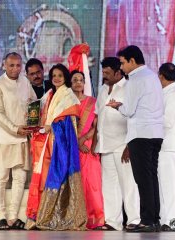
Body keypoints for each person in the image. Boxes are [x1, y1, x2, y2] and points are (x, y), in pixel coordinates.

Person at [107, 45, 164, 232]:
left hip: (140, 134)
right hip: (155, 133)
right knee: (151, 177)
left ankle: (147, 220)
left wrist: (117, 106)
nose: (121, 68)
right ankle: (154, 219)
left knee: (143, 179)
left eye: (123, 63)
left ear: (132, 61)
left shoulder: (135, 79)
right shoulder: (153, 76)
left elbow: (129, 110)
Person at [25, 64, 87, 230]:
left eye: (60, 75)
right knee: (43, 179)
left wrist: (51, 127)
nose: (57, 78)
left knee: (56, 177)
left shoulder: (69, 97)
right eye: (54, 75)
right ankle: (40, 215)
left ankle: (55, 216)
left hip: (60, 146)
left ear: (65, 77)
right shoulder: (49, 95)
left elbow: (67, 125)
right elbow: (41, 116)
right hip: (45, 144)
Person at [0, 52, 37, 230]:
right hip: (4, 137)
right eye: (11, 65)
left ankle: (12, 217)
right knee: (1, 178)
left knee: (19, 178)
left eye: (18, 65)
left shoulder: (25, 81)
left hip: (22, 136)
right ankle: (1, 216)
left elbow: (33, 103)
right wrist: (15, 128)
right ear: (4, 65)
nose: (15, 69)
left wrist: (33, 120)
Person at [92, 57, 140, 231]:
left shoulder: (129, 88)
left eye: (107, 73)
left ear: (118, 72)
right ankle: (113, 221)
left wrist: (129, 145)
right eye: (103, 72)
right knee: (109, 185)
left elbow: (134, 118)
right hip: (105, 144)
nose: (104, 76)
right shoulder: (103, 89)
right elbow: (98, 118)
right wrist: (95, 142)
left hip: (123, 145)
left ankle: (134, 220)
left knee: (128, 183)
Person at [70, 70, 104, 229]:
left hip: (88, 146)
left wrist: (83, 139)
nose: (78, 82)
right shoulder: (67, 102)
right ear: (70, 83)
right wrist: (77, 142)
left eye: (81, 80)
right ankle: (77, 218)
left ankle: (95, 218)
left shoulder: (92, 102)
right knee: (76, 183)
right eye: (75, 79)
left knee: (92, 182)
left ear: (85, 83)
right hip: (71, 147)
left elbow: (96, 125)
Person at [157, 63, 175, 231]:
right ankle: (165, 220)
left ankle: (173, 221)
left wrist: (150, 117)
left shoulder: (174, 94)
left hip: (169, 145)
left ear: (161, 76)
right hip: (164, 145)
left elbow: (167, 121)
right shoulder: (166, 93)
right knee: (164, 184)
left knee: (171, 184)